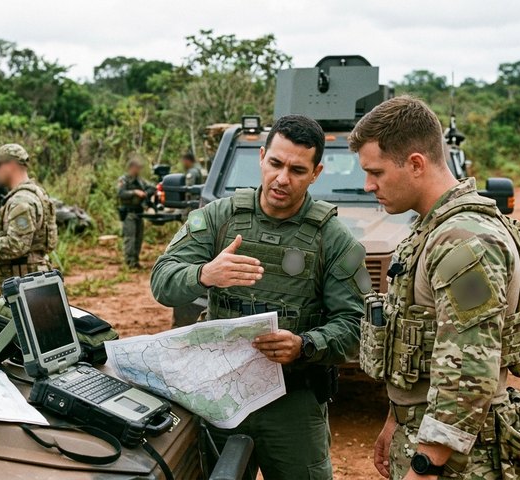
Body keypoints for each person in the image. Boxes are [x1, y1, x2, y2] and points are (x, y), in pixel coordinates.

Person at [151, 115, 369, 480]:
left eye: (298, 170)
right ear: (262, 156)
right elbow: (162, 281)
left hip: (293, 403)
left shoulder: (332, 238)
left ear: (316, 173)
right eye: (276, 164)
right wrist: (205, 274)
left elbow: (356, 323)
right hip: (222, 395)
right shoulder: (219, 218)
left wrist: (305, 344)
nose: (282, 179)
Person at [350, 96, 520, 480]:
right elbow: (416, 341)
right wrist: (396, 420)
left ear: (416, 164)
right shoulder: (433, 229)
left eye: (376, 172)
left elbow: (468, 370)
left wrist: (424, 466)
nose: (367, 185)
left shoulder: (464, 242)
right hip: (427, 434)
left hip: (459, 461)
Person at [0, 144, 58, 281]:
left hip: (24, 281)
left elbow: (16, 245)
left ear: (11, 165)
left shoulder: (21, 201)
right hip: (31, 278)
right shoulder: (34, 193)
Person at [116, 158, 153, 269]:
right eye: (137, 168)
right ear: (132, 167)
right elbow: (121, 193)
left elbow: (152, 187)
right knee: (130, 238)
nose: (139, 170)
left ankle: (135, 260)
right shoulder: (124, 180)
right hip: (129, 213)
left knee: (138, 238)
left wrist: (146, 194)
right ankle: (129, 262)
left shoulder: (140, 181)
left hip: (139, 212)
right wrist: (134, 192)